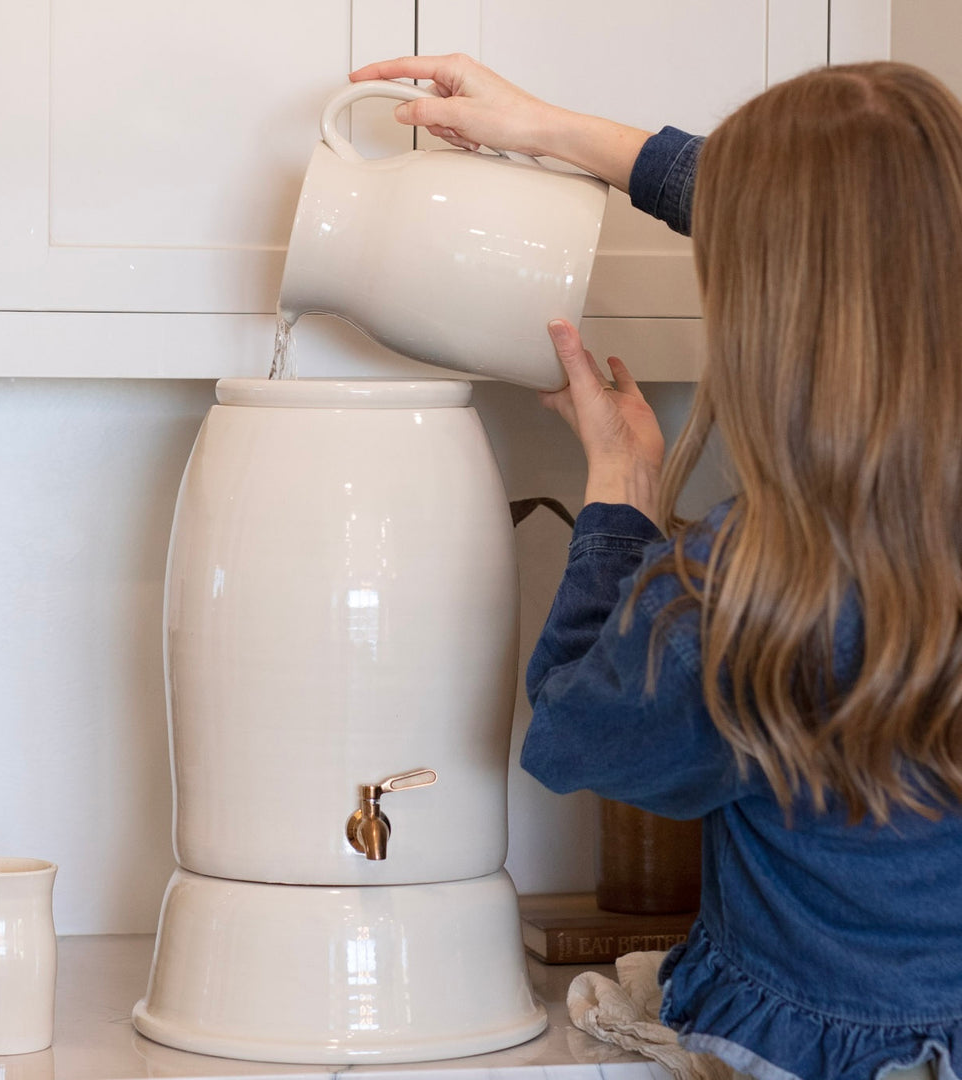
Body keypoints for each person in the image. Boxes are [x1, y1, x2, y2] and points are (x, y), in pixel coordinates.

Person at [350, 55, 962, 1080]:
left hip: (804, 1050)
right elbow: (843, 216)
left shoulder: (750, 589)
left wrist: (622, 488)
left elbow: (576, 731)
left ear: (763, 315)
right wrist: (548, 128)